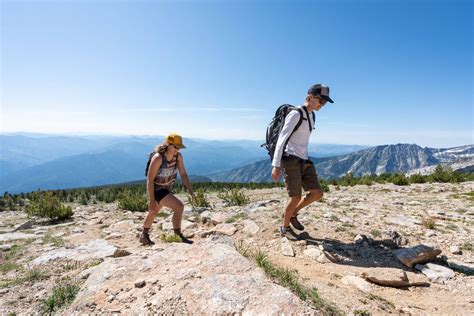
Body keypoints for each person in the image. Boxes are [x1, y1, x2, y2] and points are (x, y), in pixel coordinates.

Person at [271, 84, 334, 238]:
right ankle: (284, 229)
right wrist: (276, 165)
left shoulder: (312, 116)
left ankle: (293, 214)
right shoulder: (296, 114)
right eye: (321, 100)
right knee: (295, 197)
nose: (322, 104)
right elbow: (282, 138)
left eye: (325, 102)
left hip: (304, 160)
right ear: (310, 97)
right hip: (290, 160)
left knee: (317, 193)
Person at [140, 133, 195, 245]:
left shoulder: (178, 157)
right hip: (157, 189)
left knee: (154, 211)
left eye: (179, 147)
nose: (177, 149)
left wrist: (190, 189)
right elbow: (150, 180)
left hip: (167, 187)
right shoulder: (158, 158)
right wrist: (151, 200)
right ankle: (178, 236)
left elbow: (183, 174)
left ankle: (144, 236)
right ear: (168, 145)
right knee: (179, 207)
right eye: (175, 146)